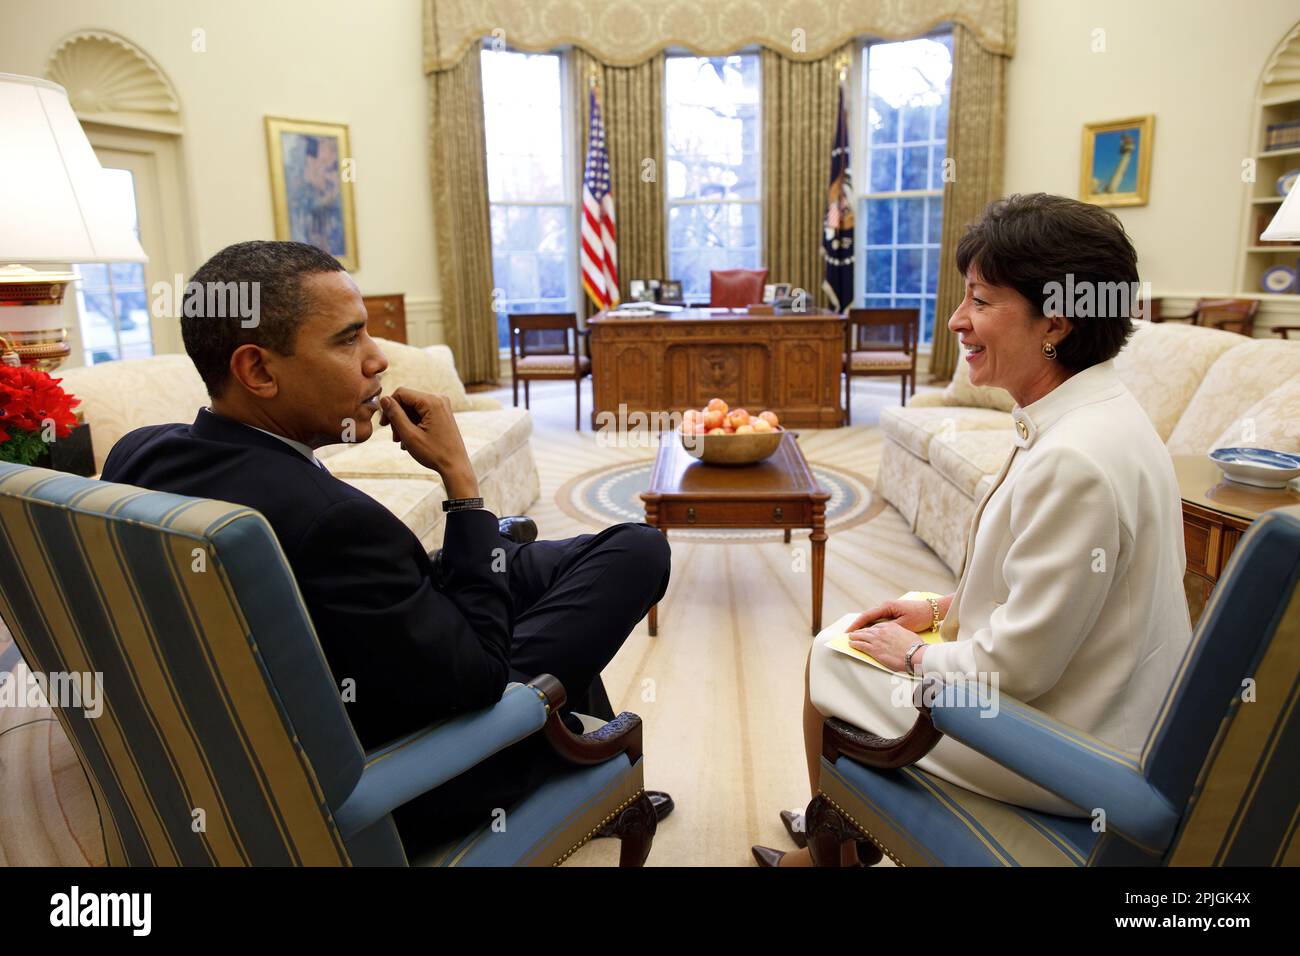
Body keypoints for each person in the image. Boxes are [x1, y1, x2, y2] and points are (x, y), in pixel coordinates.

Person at [100, 240, 673, 851]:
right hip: (420, 775)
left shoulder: (141, 452)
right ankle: (575, 752)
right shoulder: (336, 523)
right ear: (258, 371)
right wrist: (461, 484)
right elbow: (481, 674)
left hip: (349, 650)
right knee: (637, 554)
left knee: (598, 553)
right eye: (349, 339)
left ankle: (573, 731)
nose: (377, 360)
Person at [754, 193, 1193, 866]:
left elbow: (1012, 671)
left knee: (828, 654)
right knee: (854, 642)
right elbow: (1070, 599)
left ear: (1058, 321)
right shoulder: (1102, 413)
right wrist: (941, 608)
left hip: (1069, 745)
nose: (958, 321)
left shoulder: (1076, 460)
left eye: (981, 301)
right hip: (1108, 707)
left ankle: (827, 854)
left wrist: (915, 653)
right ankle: (841, 826)